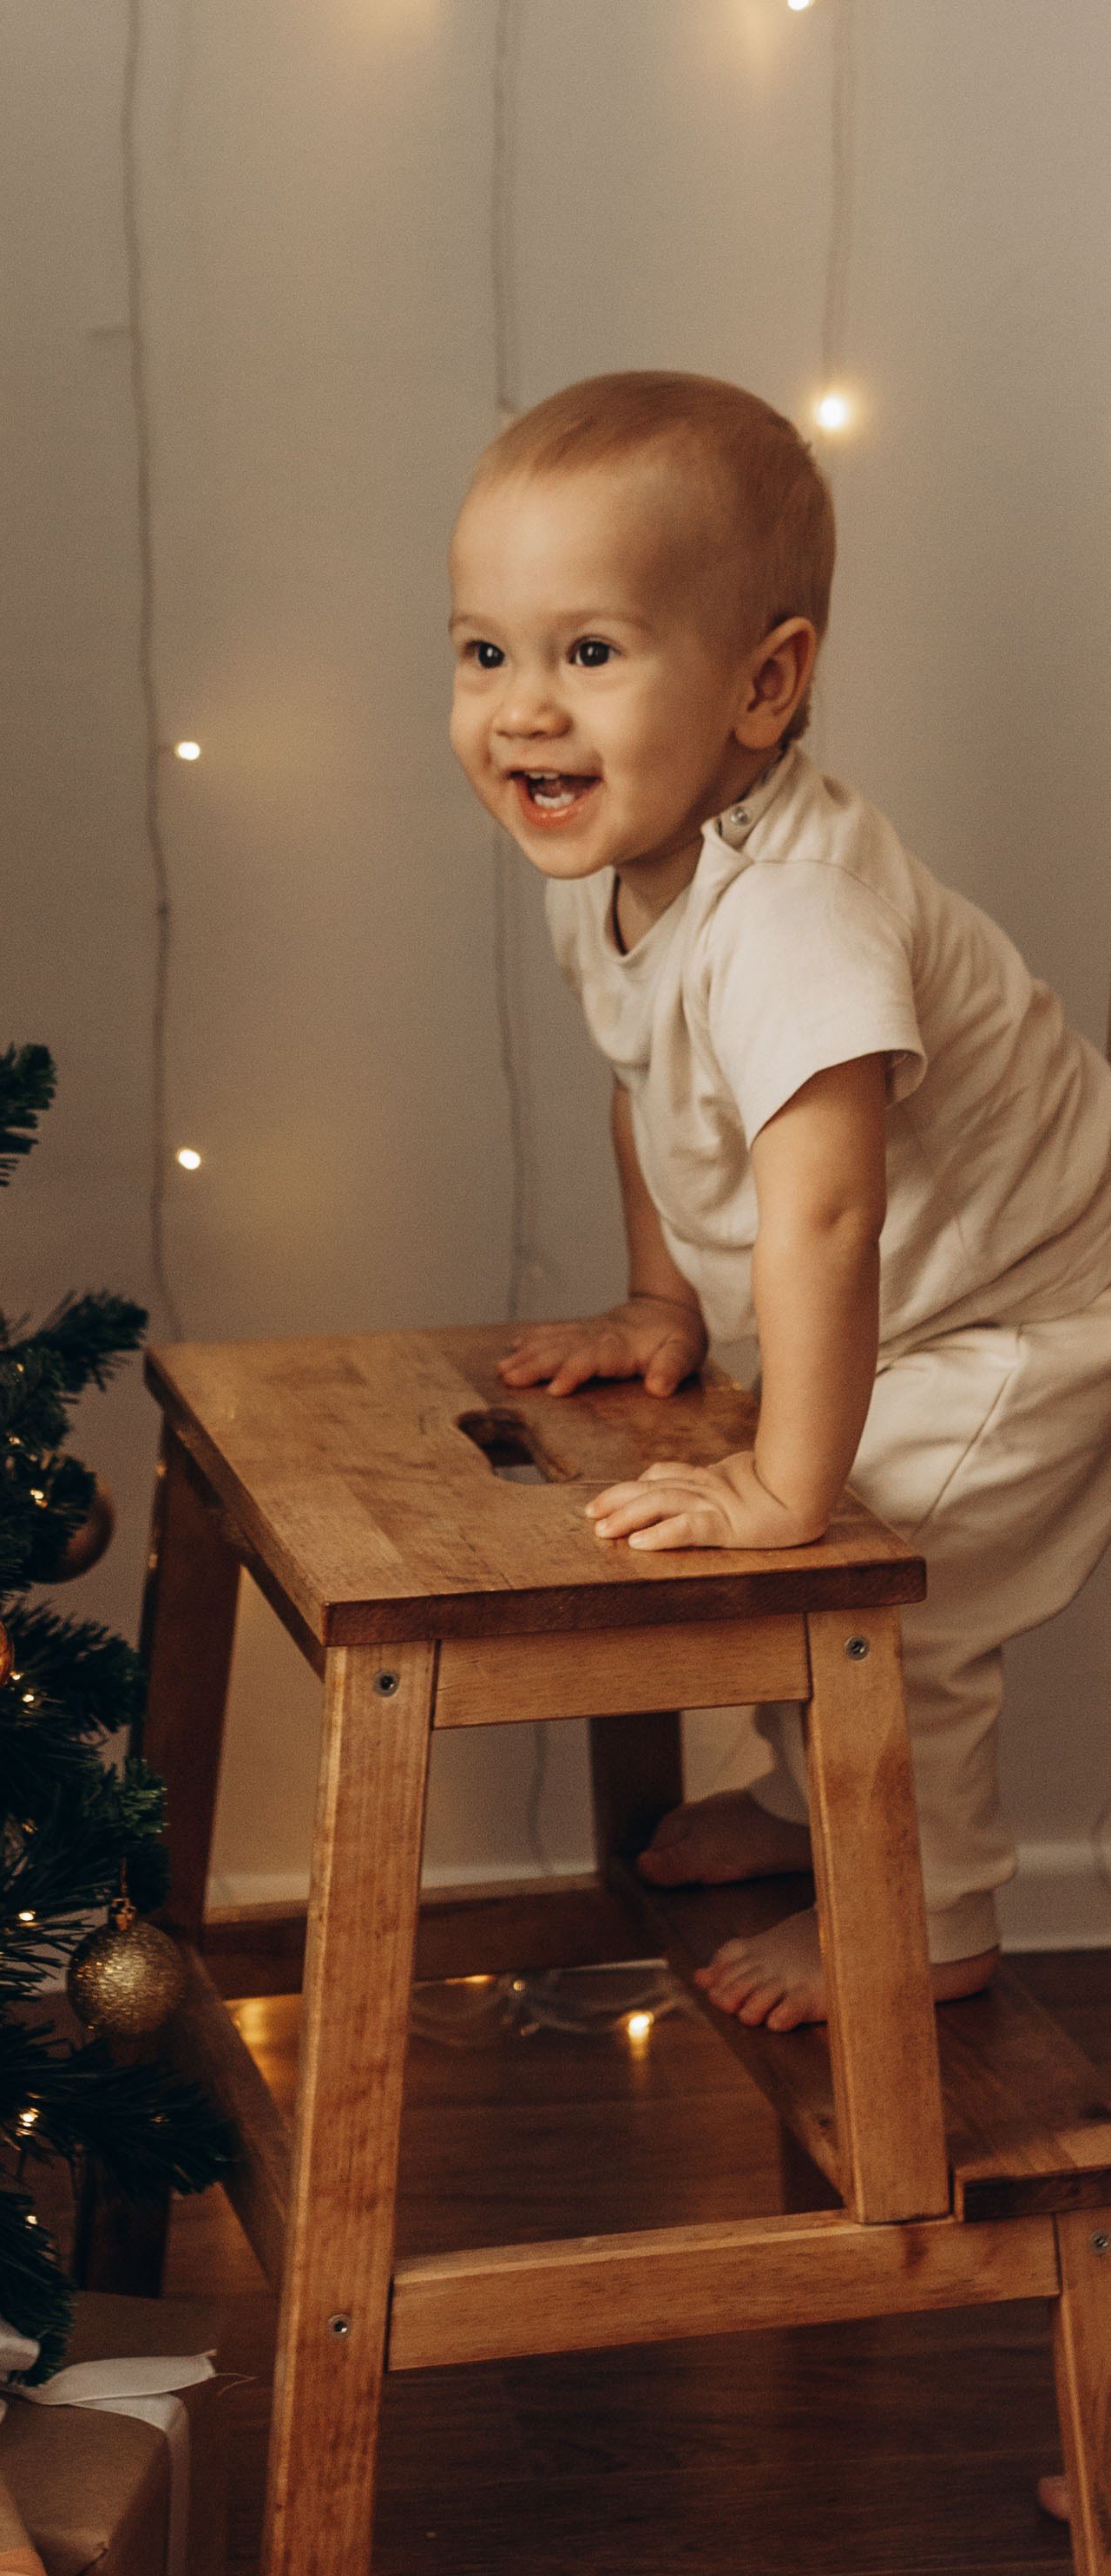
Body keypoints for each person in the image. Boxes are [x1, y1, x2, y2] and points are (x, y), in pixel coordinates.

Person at [449, 369, 1111, 2036]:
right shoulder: (613, 854)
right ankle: (802, 1800)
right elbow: (653, 1087)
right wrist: (661, 1300)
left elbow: (827, 1212)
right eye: (485, 652)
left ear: (765, 684)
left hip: (1029, 1312)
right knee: (791, 1521)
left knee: (887, 1577)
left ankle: (931, 1913)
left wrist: (788, 1487)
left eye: (589, 652)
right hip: (924, 1298)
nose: (526, 708)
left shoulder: (796, 914)